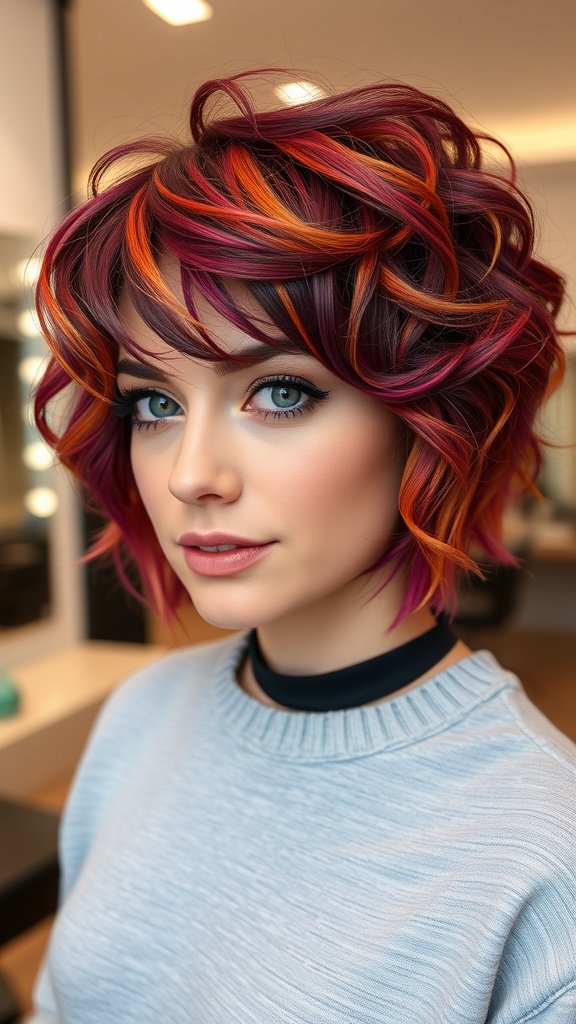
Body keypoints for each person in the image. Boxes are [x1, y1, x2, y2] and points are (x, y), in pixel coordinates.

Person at [29, 69, 575, 1023]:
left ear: (427, 417)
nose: (193, 472)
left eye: (280, 392)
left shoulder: (539, 857)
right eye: (154, 403)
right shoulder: (138, 719)